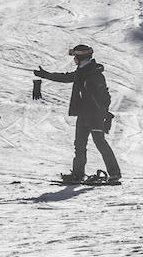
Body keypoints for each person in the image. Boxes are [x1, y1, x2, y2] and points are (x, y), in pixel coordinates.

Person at [34, 43, 121, 184]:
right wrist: (45, 75)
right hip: (83, 115)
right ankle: (78, 174)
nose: (73, 59)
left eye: (75, 57)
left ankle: (114, 173)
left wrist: (104, 116)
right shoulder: (82, 72)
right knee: (79, 145)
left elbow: (105, 98)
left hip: (94, 116)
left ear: (81, 58)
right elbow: (65, 77)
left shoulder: (94, 75)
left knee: (100, 143)